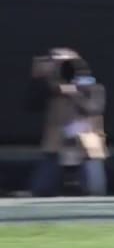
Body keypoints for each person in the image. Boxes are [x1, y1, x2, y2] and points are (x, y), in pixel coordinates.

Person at [26, 49, 107, 197]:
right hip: (55, 147)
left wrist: (72, 92)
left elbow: (93, 108)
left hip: (86, 147)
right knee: (41, 189)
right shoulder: (49, 88)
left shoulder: (91, 86)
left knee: (94, 191)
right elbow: (30, 104)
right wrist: (38, 76)